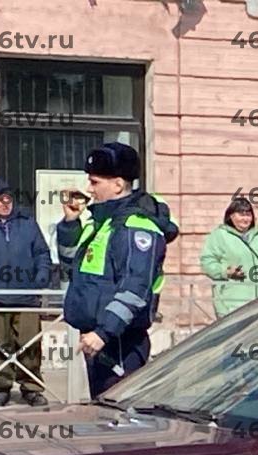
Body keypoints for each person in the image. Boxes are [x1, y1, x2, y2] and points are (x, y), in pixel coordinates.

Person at [57, 142, 179, 398]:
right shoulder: (101, 223)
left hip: (119, 339)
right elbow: (71, 266)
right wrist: (70, 223)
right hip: (97, 336)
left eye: (95, 182)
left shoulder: (135, 226)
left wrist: (104, 332)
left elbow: (135, 287)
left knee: (121, 419)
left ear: (118, 184)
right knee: (104, 414)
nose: (89, 189)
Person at [0, 178, 51, 406]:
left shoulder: (27, 223)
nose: (5, 204)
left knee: (29, 343)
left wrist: (40, 278)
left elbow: (42, 253)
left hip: (25, 296)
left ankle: (31, 387)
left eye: (8, 199)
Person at [200, 197, 258, 318]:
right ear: (231, 216)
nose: (245, 219)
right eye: (241, 215)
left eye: (248, 215)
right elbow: (207, 261)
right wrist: (225, 271)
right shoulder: (219, 235)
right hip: (232, 302)